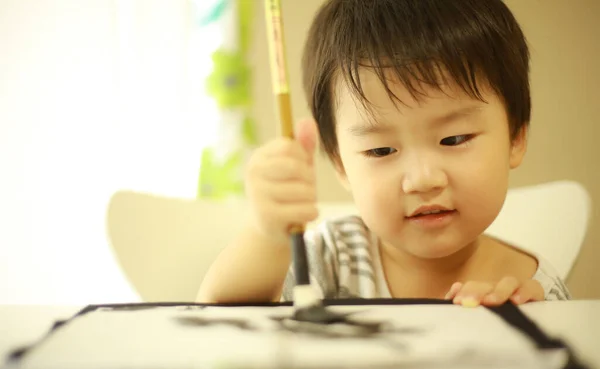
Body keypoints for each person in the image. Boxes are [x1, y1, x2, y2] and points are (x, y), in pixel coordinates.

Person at [197, 0, 571, 307]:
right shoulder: (331, 260)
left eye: (454, 139)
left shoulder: (532, 291)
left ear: (516, 135)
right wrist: (269, 233)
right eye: (380, 149)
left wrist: (527, 328)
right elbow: (217, 314)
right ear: (340, 162)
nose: (424, 179)